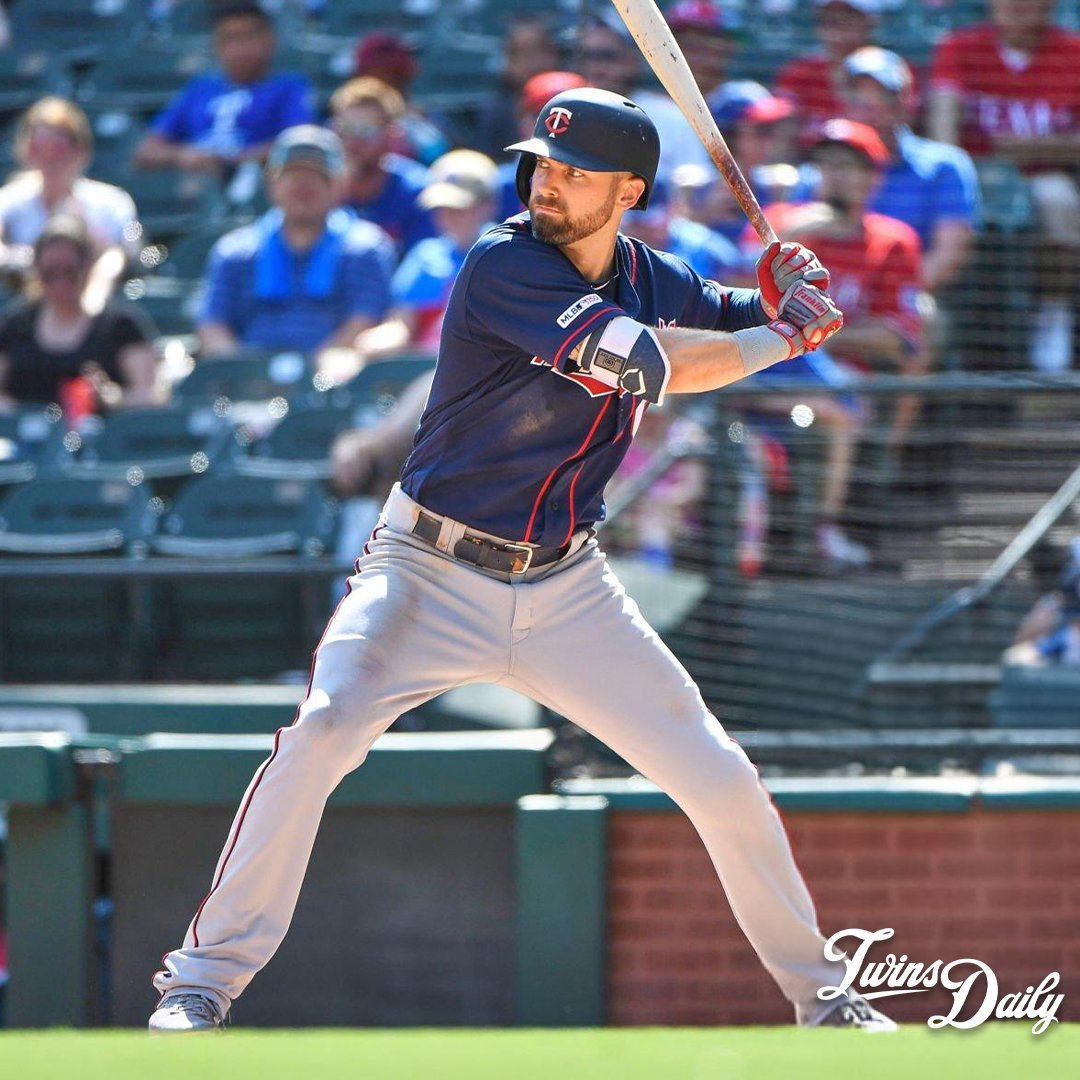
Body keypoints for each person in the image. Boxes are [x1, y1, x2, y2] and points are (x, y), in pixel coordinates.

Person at [148, 87, 895, 1035]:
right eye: (542, 164)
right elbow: (653, 364)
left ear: (628, 193)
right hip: (426, 568)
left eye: (575, 173)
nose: (547, 182)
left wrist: (787, 297)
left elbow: (726, 312)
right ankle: (200, 983)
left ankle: (825, 1000)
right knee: (323, 732)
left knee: (719, 776)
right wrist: (784, 337)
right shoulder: (504, 263)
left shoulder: (647, 273)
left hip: (567, 586)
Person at [742, 119, 927, 568]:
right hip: (760, 370)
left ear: (873, 178)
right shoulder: (783, 222)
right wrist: (795, 235)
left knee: (839, 407)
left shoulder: (891, 241)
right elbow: (735, 292)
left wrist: (817, 332)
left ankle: (822, 532)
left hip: (837, 385)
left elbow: (897, 338)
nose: (836, 176)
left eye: (849, 166)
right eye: (828, 165)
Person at [928, 0, 1080, 371]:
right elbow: (944, 134)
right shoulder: (961, 47)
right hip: (975, 174)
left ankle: (1052, 312)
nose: (1017, 5)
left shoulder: (1072, 52)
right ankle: (954, 327)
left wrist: (1025, 148)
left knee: (1061, 204)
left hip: (1044, 175)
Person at [196, 126, 394, 358]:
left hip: (333, 374)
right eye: (291, 177)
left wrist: (316, 371)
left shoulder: (365, 248)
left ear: (339, 184)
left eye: (316, 177)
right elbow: (212, 325)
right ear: (271, 183)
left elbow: (364, 321)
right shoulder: (234, 252)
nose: (302, 187)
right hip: (249, 375)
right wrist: (244, 368)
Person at [842, 47, 980, 295]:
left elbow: (947, 255)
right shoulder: (822, 169)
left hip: (915, 298)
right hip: (829, 299)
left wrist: (891, 298)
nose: (870, 107)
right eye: (859, 97)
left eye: (882, 96)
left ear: (906, 100)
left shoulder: (945, 166)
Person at [349, 149, 501, 367]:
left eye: (459, 209)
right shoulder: (425, 254)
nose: (448, 218)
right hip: (428, 369)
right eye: (442, 209)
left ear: (488, 206)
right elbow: (403, 323)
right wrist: (377, 342)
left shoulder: (506, 254)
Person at [0, 215, 161, 416]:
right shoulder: (15, 325)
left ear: (87, 267)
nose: (60, 282)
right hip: (27, 432)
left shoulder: (121, 325)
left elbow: (152, 395)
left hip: (98, 431)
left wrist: (112, 398)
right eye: (50, 273)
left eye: (70, 272)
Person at [133, 1, 316, 176]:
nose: (238, 48)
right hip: (199, 184)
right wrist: (182, 155)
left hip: (259, 183)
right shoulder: (200, 88)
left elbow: (300, 146)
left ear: (269, 40)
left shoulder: (288, 87)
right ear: (216, 45)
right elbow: (146, 151)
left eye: (247, 37)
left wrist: (229, 161)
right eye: (229, 39)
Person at [0, 97, 139, 312]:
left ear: (80, 149)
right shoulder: (10, 199)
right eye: (38, 147)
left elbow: (125, 252)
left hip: (91, 302)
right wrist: (22, 259)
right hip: (23, 306)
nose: (48, 157)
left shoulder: (111, 202)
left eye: (58, 147)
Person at [329, 77, 437, 259]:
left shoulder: (417, 192)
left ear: (392, 135)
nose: (354, 141)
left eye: (366, 131)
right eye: (346, 129)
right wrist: (335, 195)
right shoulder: (322, 189)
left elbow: (424, 263)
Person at [352, 31, 453, 167]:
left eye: (399, 75)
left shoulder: (425, 123)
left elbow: (440, 156)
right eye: (391, 73)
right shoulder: (340, 122)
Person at [774, 0, 881, 127]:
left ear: (870, 21)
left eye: (846, 16)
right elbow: (780, 130)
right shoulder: (799, 74)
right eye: (828, 17)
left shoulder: (890, 74)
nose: (836, 24)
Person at [471, 16, 562, 161]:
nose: (535, 61)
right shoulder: (496, 113)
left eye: (542, 50)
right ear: (508, 60)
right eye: (524, 54)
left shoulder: (571, 100)